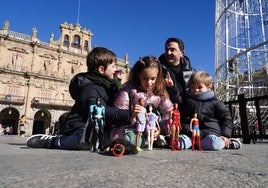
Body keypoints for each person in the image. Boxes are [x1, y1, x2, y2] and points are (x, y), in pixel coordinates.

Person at [26, 47, 134, 150]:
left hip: (98, 126)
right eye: (113, 66)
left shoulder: (108, 86)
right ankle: (54, 141)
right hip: (80, 126)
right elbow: (99, 111)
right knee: (89, 139)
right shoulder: (90, 88)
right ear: (101, 69)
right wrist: (128, 115)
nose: (116, 70)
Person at [111, 56, 174, 149]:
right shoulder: (128, 90)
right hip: (131, 130)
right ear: (138, 75)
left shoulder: (159, 92)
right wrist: (131, 116)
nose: (149, 83)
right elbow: (117, 115)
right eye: (145, 78)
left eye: (153, 79)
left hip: (150, 130)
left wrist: (160, 130)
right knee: (133, 139)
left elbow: (169, 113)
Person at [179, 71, 242, 150]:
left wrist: (225, 135)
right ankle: (195, 144)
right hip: (190, 134)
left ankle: (227, 143)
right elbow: (182, 118)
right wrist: (185, 129)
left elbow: (226, 119)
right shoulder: (187, 101)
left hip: (209, 134)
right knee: (178, 143)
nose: (196, 90)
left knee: (215, 144)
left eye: (199, 87)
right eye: (193, 87)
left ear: (209, 87)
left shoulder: (215, 102)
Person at [159, 37, 195, 105]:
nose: (168, 53)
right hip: (167, 111)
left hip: (189, 111)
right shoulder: (158, 70)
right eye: (167, 50)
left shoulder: (192, 73)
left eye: (172, 50)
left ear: (182, 53)